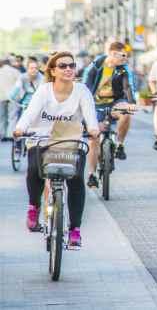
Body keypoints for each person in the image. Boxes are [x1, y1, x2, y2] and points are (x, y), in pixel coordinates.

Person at [13, 51, 99, 248]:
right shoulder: (44, 91)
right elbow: (30, 113)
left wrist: (93, 128)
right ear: (53, 70)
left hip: (70, 140)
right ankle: (34, 206)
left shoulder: (82, 90)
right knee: (35, 169)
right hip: (42, 138)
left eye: (71, 65)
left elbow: (89, 114)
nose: (68, 69)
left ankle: (75, 230)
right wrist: (20, 128)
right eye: (62, 66)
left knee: (77, 179)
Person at [84, 41, 136, 188]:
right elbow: (86, 87)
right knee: (93, 138)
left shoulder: (123, 69)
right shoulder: (96, 66)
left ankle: (120, 144)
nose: (125, 58)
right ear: (113, 54)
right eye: (123, 55)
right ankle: (92, 174)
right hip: (95, 104)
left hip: (115, 103)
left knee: (126, 112)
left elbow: (127, 87)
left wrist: (131, 102)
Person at [0, 59, 21, 140]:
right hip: (13, 97)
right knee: (13, 116)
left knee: (2, 117)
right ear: (9, 63)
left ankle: (2, 134)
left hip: (1, 97)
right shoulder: (15, 71)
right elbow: (20, 84)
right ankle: (10, 135)